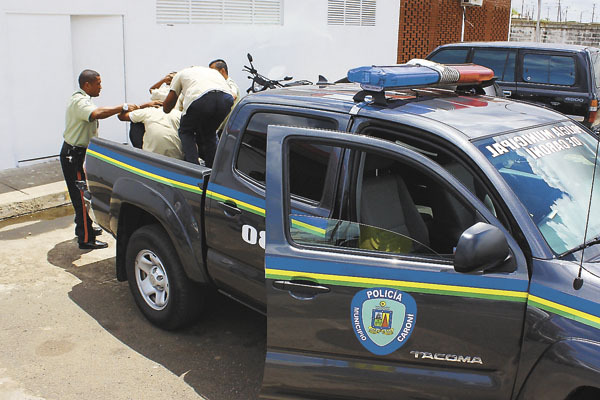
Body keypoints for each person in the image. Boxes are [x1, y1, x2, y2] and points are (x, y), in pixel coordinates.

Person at [61, 69, 137, 249]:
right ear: (87, 85)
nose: (101, 87)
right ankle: (86, 239)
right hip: (74, 155)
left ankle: (85, 227)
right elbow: (97, 114)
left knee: (84, 192)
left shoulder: (83, 99)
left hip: (79, 153)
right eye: (98, 83)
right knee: (80, 196)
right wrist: (122, 107)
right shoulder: (80, 101)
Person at [163, 66, 235, 167]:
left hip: (202, 98)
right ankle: (213, 170)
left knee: (186, 132)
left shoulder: (181, 74)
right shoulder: (212, 72)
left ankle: (194, 168)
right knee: (209, 133)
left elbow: (167, 108)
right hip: (226, 99)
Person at [119, 105, 184, 160]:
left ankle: (141, 153)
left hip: (151, 156)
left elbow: (121, 116)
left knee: (135, 121)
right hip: (178, 158)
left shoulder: (148, 111)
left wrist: (142, 106)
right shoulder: (180, 114)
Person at [209, 59, 241, 136]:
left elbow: (233, 94)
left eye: (213, 72)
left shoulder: (229, 84)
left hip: (228, 130)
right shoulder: (220, 85)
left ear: (222, 71)